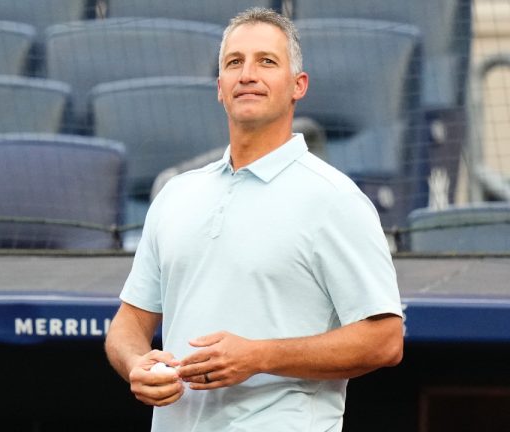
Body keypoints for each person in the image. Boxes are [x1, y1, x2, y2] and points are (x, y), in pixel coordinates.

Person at [105, 7, 404, 431]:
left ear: (298, 85)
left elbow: (385, 340)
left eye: (266, 61)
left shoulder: (336, 199)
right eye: (234, 62)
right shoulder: (175, 194)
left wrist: (258, 356)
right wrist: (136, 363)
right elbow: (129, 323)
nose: (247, 74)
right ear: (220, 87)